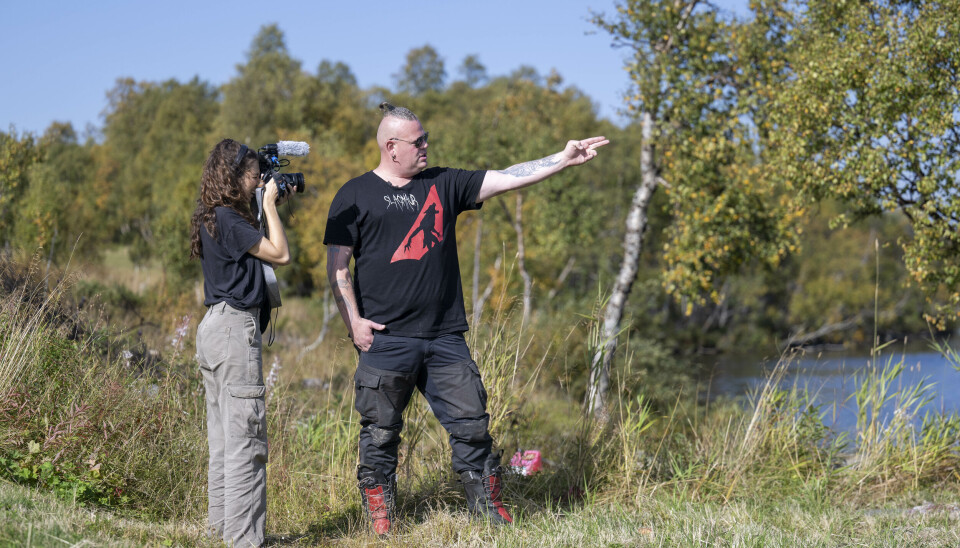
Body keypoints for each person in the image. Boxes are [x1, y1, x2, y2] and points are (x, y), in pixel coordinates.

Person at [324, 102, 608, 535]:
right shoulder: (354, 194)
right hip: (385, 339)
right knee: (380, 433)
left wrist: (562, 158)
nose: (426, 147)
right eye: (418, 141)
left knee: (472, 426)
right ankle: (382, 518)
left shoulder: (444, 183)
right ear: (391, 146)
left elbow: (507, 176)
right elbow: (338, 267)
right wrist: (354, 323)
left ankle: (487, 512)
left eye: (426, 139)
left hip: (444, 339)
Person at [190, 138, 290, 547]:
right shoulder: (232, 220)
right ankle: (245, 540)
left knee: (225, 441)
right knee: (246, 443)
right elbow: (280, 254)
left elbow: (256, 249)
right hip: (233, 331)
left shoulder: (214, 216)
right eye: (252, 177)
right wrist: (268, 206)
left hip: (213, 328)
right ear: (234, 178)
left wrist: (266, 205)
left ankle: (222, 531)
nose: (257, 182)